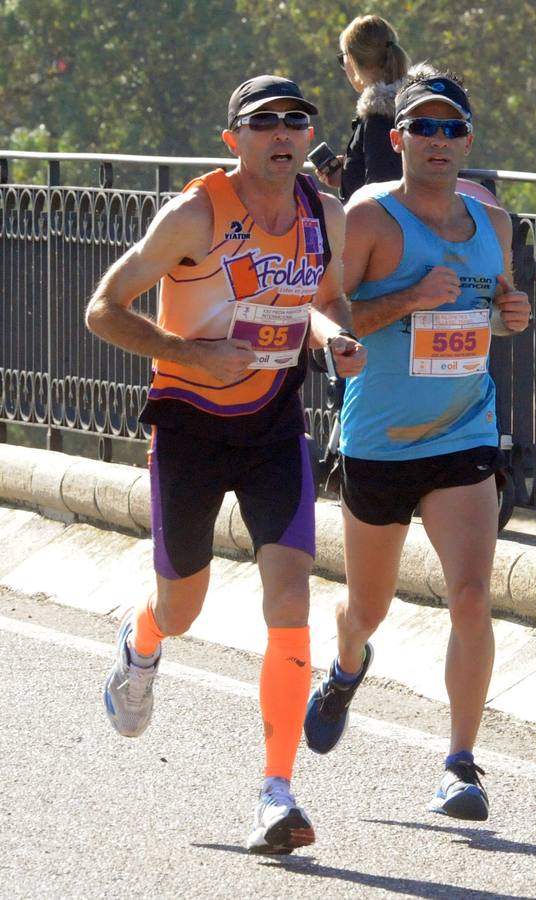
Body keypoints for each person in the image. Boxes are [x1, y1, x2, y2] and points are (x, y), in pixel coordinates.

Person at [85, 75, 366, 855]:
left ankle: (276, 792)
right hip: (189, 425)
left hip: (275, 421)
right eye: (264, 121)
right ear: (232, 138)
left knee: (290, 594)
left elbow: (329, 296)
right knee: (184, 607)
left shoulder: (325, 214)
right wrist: (188, 353)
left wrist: (330, 338)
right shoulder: (195, 214)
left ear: (310, 136)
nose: (283, 132)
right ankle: (141, 645)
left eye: (296, 120)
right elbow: (103, 309)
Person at [303, 66, 530, 822]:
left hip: (463, 430)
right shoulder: (370, 216)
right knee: (366, 609)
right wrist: (406, 297)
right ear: (396, 138)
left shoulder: (492, 221)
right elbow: (328, 313)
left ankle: (460, 764)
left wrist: (510, 313)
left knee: (470, 596)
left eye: (451, 128)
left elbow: (493, 310)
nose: (438, 141)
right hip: (378, 439)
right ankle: (342, 668)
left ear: (468, 140)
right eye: (423, 128)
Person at [330, 14, 411, 202]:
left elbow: (379, 192)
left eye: (343, 59)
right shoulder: (412, 105)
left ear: (351, 58)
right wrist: (348, 174)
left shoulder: (378, 117)